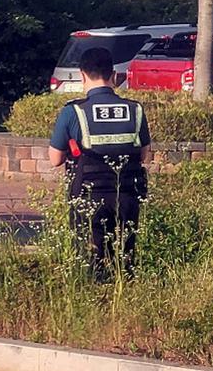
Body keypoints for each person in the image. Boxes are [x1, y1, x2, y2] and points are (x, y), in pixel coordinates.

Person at [48, 46, 151, 278]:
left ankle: (96, 299)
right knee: (125, 258)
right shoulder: (135, 110)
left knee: (90, 259)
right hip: (127, 194)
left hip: (88, 197)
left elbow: (55, 159)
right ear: (113, 75)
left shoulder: (73, 112)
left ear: (82, 75)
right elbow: (143, 155)